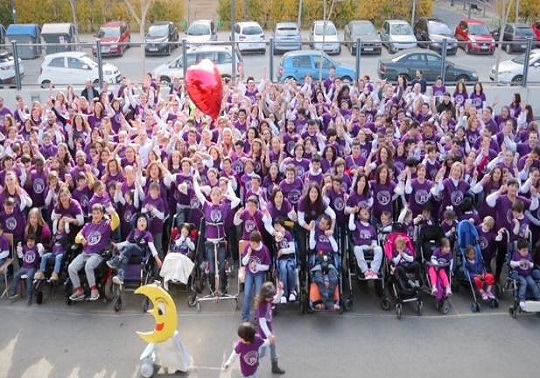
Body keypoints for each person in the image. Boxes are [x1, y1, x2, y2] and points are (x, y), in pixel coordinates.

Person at [68, 203, 119, 301]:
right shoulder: (87, 225)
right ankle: (79, 290)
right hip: (85, 253)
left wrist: (113, 213)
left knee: (88, 266)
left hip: (98, 254)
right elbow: (77, 237)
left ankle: (94, 290)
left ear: (102, 214)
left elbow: (116, 222)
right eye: (94, 213)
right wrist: (82, 239)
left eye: (98, 213)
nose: (95, 215)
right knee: (71, 267)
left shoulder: (106, 224)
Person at [107, 213, 162, 285]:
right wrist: (116, 245)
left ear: (147, 223)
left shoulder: (148, 234)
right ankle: (120, 277)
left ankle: (116, 260)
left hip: (141, 251)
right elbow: (126, 243)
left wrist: (157, 259)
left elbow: (152, 247)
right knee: (125, 255)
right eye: (140, 220)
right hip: (129, 251)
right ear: (136, 223)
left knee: (130, 246)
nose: (142, 222)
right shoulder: (133, 232)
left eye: (144, 221)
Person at [309, 214, 339, 311]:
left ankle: (327, 302)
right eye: (320, 222)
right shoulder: (316, 231)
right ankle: (329, 304)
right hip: (319, 258)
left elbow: (336, 249)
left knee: (333, 278)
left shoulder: (330, 233)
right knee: (318, 278)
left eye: (322, 223)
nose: (320, 224)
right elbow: (311, 247)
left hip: (329, 258)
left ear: (327, 226)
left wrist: (329, 236)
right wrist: (312, 231)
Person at [255, 282, 286, 375]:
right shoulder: (261, 305)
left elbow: (276, 299)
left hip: (269, 328)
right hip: (263, 332)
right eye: (269, 297)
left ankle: (274, 366)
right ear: (264, 295)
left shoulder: (268, 299)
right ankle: (251, 359)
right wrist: (269, 335)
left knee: (273, 347)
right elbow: (262, 322)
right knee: (262, 353)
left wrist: (280, 291)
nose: (270, 299)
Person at [241, 231, 270, 322]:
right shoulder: (248, 248)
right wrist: (248, 254)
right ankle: (245, 316)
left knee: (258, 295)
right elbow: (243, 262)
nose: (251, 245)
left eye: (253, 243)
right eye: (250, 242)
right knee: (247, 294)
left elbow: (267, 266)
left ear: (258, 242)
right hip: (249, 272)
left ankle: (258, 316)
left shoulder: (264, 250)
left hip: (259, 274)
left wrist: (257, 267)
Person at [348, 206, 383, 279]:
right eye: (363, 211)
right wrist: (352, 213)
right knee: (356, 249)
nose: (366, 212)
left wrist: (373, 245)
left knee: (379, 249)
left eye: (367, 211)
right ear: (359, 216)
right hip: (360, 246)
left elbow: (374, 239)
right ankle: (366, 271)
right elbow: (351, 227)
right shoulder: (356, 224)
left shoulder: (372, 227)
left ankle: (373, 271)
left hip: (370, 246)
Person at [7, 234, 43, 303]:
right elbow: (20, 256)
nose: (30, 243)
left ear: (34, 242)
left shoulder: (36, 248)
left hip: (32, 267)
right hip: (24, 267)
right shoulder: (24, 248)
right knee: (16, 275)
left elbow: (41, 255)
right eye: (28, 241)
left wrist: (40, 247)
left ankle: (29, 296)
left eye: (31, 241)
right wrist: (19, 248)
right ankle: (13, 293)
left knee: (29, 278)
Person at [35, 216, 69, 281]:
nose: (60, 226)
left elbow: (66, 244)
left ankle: (55, 274)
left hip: (61, 253)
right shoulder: (55, 234)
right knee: (44, 256)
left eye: (62, 225)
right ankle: (41, 272)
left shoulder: (65, 234)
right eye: (59, 224)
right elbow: (51, 245)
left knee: (58, 257)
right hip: (53, 253)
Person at [510, 239, 540, 310]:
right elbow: (511, 263)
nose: (525, 252)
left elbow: (532, 265)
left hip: (527, 274)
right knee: (524, 283)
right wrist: (518, 263)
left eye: (526, 250)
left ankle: (538, 298)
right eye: (523, 251)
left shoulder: (528, 255)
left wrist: (529, 264)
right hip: (519, 274)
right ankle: (522, 300)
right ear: (518, 250)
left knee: (532, 283)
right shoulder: (515, 255)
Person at [272, 217, 296, 303]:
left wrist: (282, 251)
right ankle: (284, 293)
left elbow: (293, 249)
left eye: (278, 225)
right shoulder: (275, 236)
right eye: (275, 225)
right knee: (283, 269)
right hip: (281, 259)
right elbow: (275, 250)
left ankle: (292, 291)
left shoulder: (288, 234)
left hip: (290, 257)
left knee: (289, 268)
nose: (276, 227)